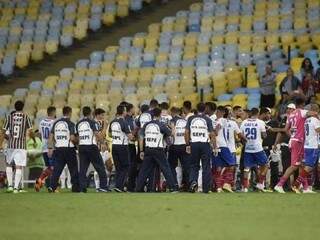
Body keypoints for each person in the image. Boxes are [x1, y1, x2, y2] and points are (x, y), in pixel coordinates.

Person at [274, 98, 315, 193]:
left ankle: (305, 188)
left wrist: (293, 135)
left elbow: (285, 129)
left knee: (301, 165)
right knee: (294, 166)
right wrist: (315, 114)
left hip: (293, 140)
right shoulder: (301, 111)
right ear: (300, 105)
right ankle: (279, 185)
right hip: (298, 142)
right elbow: (312, 113)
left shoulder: (289, 116)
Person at [136, 107, 178, 192]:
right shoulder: (161, 125)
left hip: (147, 149)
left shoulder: (146, 125)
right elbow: (171, 134)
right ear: (160, 115)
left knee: (144, 170)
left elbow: (140, 136)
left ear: (152, 115)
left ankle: (138, 188)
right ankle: (173, 188)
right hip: (158, 149)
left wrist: (141, 151)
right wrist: (173, 127)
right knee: (166, 168)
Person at [1, 100, 33, 193]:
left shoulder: (9, 117)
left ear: (14, 107)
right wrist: (33, 138)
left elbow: (3, 132)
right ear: (23, 107)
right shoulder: (26, 117)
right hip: (21, 145)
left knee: (9, 164)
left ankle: (10, 186)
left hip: (11, 144)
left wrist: (0, 143)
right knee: (19, 166)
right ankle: (16, 188)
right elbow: (31, 131)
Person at [185, 102, 216, 193]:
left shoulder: (191, 118)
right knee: (206, 166)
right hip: (204, 144)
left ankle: (193, 182)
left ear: (196, 108)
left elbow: (186, 132)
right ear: (205, 109)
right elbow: (212, 134)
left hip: (193, 143)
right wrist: (215, 147)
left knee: (194, 165)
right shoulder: (207, 119)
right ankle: (206, 188)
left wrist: (187, 145)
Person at [76, 106, 109, 193]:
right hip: (91, 146)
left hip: (82, 147)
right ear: (91, 113)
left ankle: (82, 188)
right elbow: (97, 135)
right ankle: (103, 187)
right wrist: (103, 143)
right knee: (100, 167)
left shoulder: (78, 123)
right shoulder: (92, 122)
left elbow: (77, 137)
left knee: (83, 169)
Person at [48, 106, 80, 193]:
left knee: (57, 169)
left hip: (58, 148)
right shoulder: (70, 124)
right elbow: (72, 138)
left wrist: (50, 148)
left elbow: (50, 137)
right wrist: (77, 143)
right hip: (69, 149)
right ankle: (75, 188)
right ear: (70, 113)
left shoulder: (56, 123)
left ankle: (52, 186)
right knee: (73, 169)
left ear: (63, 112)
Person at [291, 104, 320, 193]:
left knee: (310, 166)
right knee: (309, 167)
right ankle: (296, 185)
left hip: (307, 145)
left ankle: (308, 187)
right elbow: (318, 130)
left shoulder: (307, 120)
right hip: (313, 145)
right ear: (316, 111)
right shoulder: (315, 120)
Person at [240, 108, 268, 192]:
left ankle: (244, 187)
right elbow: (264, 136)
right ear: (258, 113)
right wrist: (265, 132)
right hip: (258, 148)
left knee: (247, 168)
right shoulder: (260, 122)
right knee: (266, 165)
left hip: (248, 148)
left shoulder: (244, 122)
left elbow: (241, 135)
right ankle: (260, 183)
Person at [212, 106, 238, 193]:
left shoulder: (213, 120)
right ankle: (226, 183)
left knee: (218, 167)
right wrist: (214, 131)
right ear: (222, 112)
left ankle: (218, 187)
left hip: (215, 146)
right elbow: (216, 130)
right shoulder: (222, 120)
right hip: (222, 145)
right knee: (232, 164)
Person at [109, 105, 133, 192]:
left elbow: (110, 134)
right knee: (125, 166)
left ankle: (117, 185)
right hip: (122, 146)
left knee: (118, 167)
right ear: (123, 112)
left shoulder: (113, 122)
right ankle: (119, 186)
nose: (126, 112)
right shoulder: (124, 122)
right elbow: (130, 137)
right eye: (125, 110)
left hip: (114, 145)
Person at [35, 106, 56, 191]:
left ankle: (45, 183)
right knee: (53, 168)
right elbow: (53, 136)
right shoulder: (54, 122)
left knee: (49, 167)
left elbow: (39, 135)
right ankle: (41, 180)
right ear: (54, 113)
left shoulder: (41, 122)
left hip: (43, 148)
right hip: (51, 148)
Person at [168, 107, 190, 190]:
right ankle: (188, 185)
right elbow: (188, 133)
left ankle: (175, 185)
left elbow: (171, 134)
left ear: (173, 112)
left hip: (174, 146)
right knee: (186, 167)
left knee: (171, 166)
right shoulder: (185, 121)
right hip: (184, 145)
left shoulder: (172, 121)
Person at [259, 107, 279, 189]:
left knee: (274, 166)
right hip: (261, 147)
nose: (268, 115)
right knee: (262, 167)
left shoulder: (274, 122)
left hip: (272, 147)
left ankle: (273, 185)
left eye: (269, 113)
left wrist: (276, 144)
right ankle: (261, 184)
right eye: (266, 113)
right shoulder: (259, 122)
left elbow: (278, 133)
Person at [125, 103, 139, 192]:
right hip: (130, 145)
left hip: (125, 145)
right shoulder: (129, 119)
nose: (135, 110)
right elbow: (131, 133)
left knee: (127, 166)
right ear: (130, 110)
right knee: (132, 167)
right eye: (134, 108)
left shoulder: (127, 119)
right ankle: (130, 187)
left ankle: (124, 186)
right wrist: (137, 129)